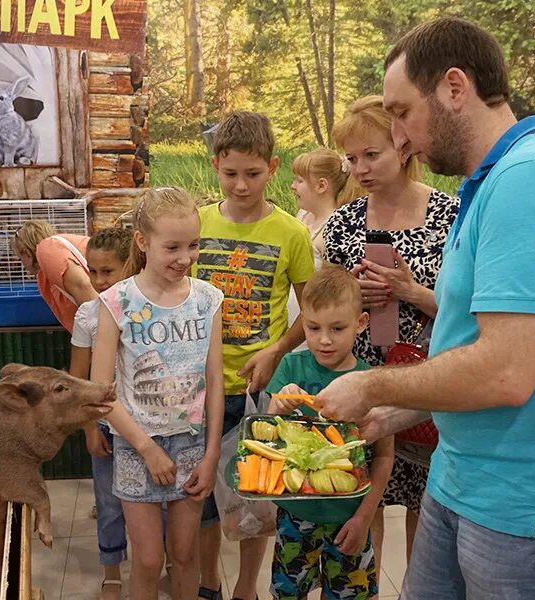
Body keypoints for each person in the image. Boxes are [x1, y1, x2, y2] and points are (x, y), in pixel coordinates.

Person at [318, 17, 535, 600]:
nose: (400, 136)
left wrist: (374, 387)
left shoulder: (533, 178)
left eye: (402, 112)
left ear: (455, 88)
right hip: (463, 478)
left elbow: (507, 371)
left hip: (524, 504)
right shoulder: (489, 183)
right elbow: (470, 344)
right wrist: (393, 416)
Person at [322, 95, 458, 572]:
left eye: (371, 154)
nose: (359, 168)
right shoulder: (343, 222)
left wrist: (412, 292)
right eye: (351, 158)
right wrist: (355, 298)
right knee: (363, 499)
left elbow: (473, 311)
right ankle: (367, 585)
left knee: (428, 505)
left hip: (426, 383)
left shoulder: (451, 215)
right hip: (360, 377)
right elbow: (325, 302)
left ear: (403, 148)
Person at [193, 111, 316, 600]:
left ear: (274, 167)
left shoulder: (292, 234)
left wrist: (277, 350)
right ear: (215, 166)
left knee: (256, 497)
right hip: (201, 388)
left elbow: (311, 311)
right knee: (200, 495)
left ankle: (246, 586)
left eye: (253, 173)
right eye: (230, 173)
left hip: (260, 388)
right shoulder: (198, 223)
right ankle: (208, 585)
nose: (241, 185)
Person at [87, 187, 225, 600]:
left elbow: (214, 380)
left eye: (194, 245)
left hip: (192, 445)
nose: (185, 258)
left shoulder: (207, 300)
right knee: (147, 560)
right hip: (136, 446)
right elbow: (101, 394)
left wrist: (212, 452)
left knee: (184, 556)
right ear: (143, 242)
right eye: (172, 247)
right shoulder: (117, 301)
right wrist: (145, 447)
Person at [266, 266, 392, 600]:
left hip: (349, 517)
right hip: (296, 516)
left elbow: (384, 456)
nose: (324, 339)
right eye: (313, 327)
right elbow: (265, 440)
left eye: (337, 328)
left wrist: (365, 516)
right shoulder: (291, 368)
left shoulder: (371, 382)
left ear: (361, 323)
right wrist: (277, 410)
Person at [69, 228, 133, 600]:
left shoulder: (148, 308)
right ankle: (111, 571)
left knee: (158, 504)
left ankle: (165, 558)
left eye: (107, 271)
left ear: (130, 265)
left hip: (148, 425)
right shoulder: (87, 315)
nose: (97, 280)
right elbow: (78, 381)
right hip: (107, 429)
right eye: (92, 271)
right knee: (108, 503)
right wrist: (90, 429)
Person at [286, 148, 360, 353]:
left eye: (299, 180)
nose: (293, 186)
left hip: (314, 323)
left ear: (321, 186)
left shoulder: (333, 227)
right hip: (289, 318)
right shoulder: (302, 215)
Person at [12, 220, 97, 332]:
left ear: (27, 253)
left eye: (20, 257)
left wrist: (102, 341)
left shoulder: (47, 249)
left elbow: (84, 287)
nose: (22, 264)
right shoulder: (48, 269)